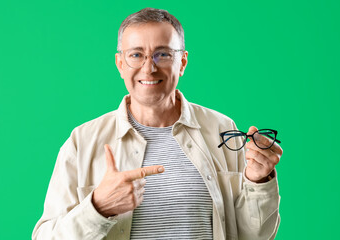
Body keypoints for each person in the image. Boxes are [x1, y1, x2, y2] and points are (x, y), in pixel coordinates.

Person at [32, 7, 283, 240]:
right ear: (120, 64)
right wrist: (97, 208)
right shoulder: (82, 141)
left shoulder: (222, 130)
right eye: (136, 54)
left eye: (162, 54)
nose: (148, 68)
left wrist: (258, 182)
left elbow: (254, 236)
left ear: (182, 62)